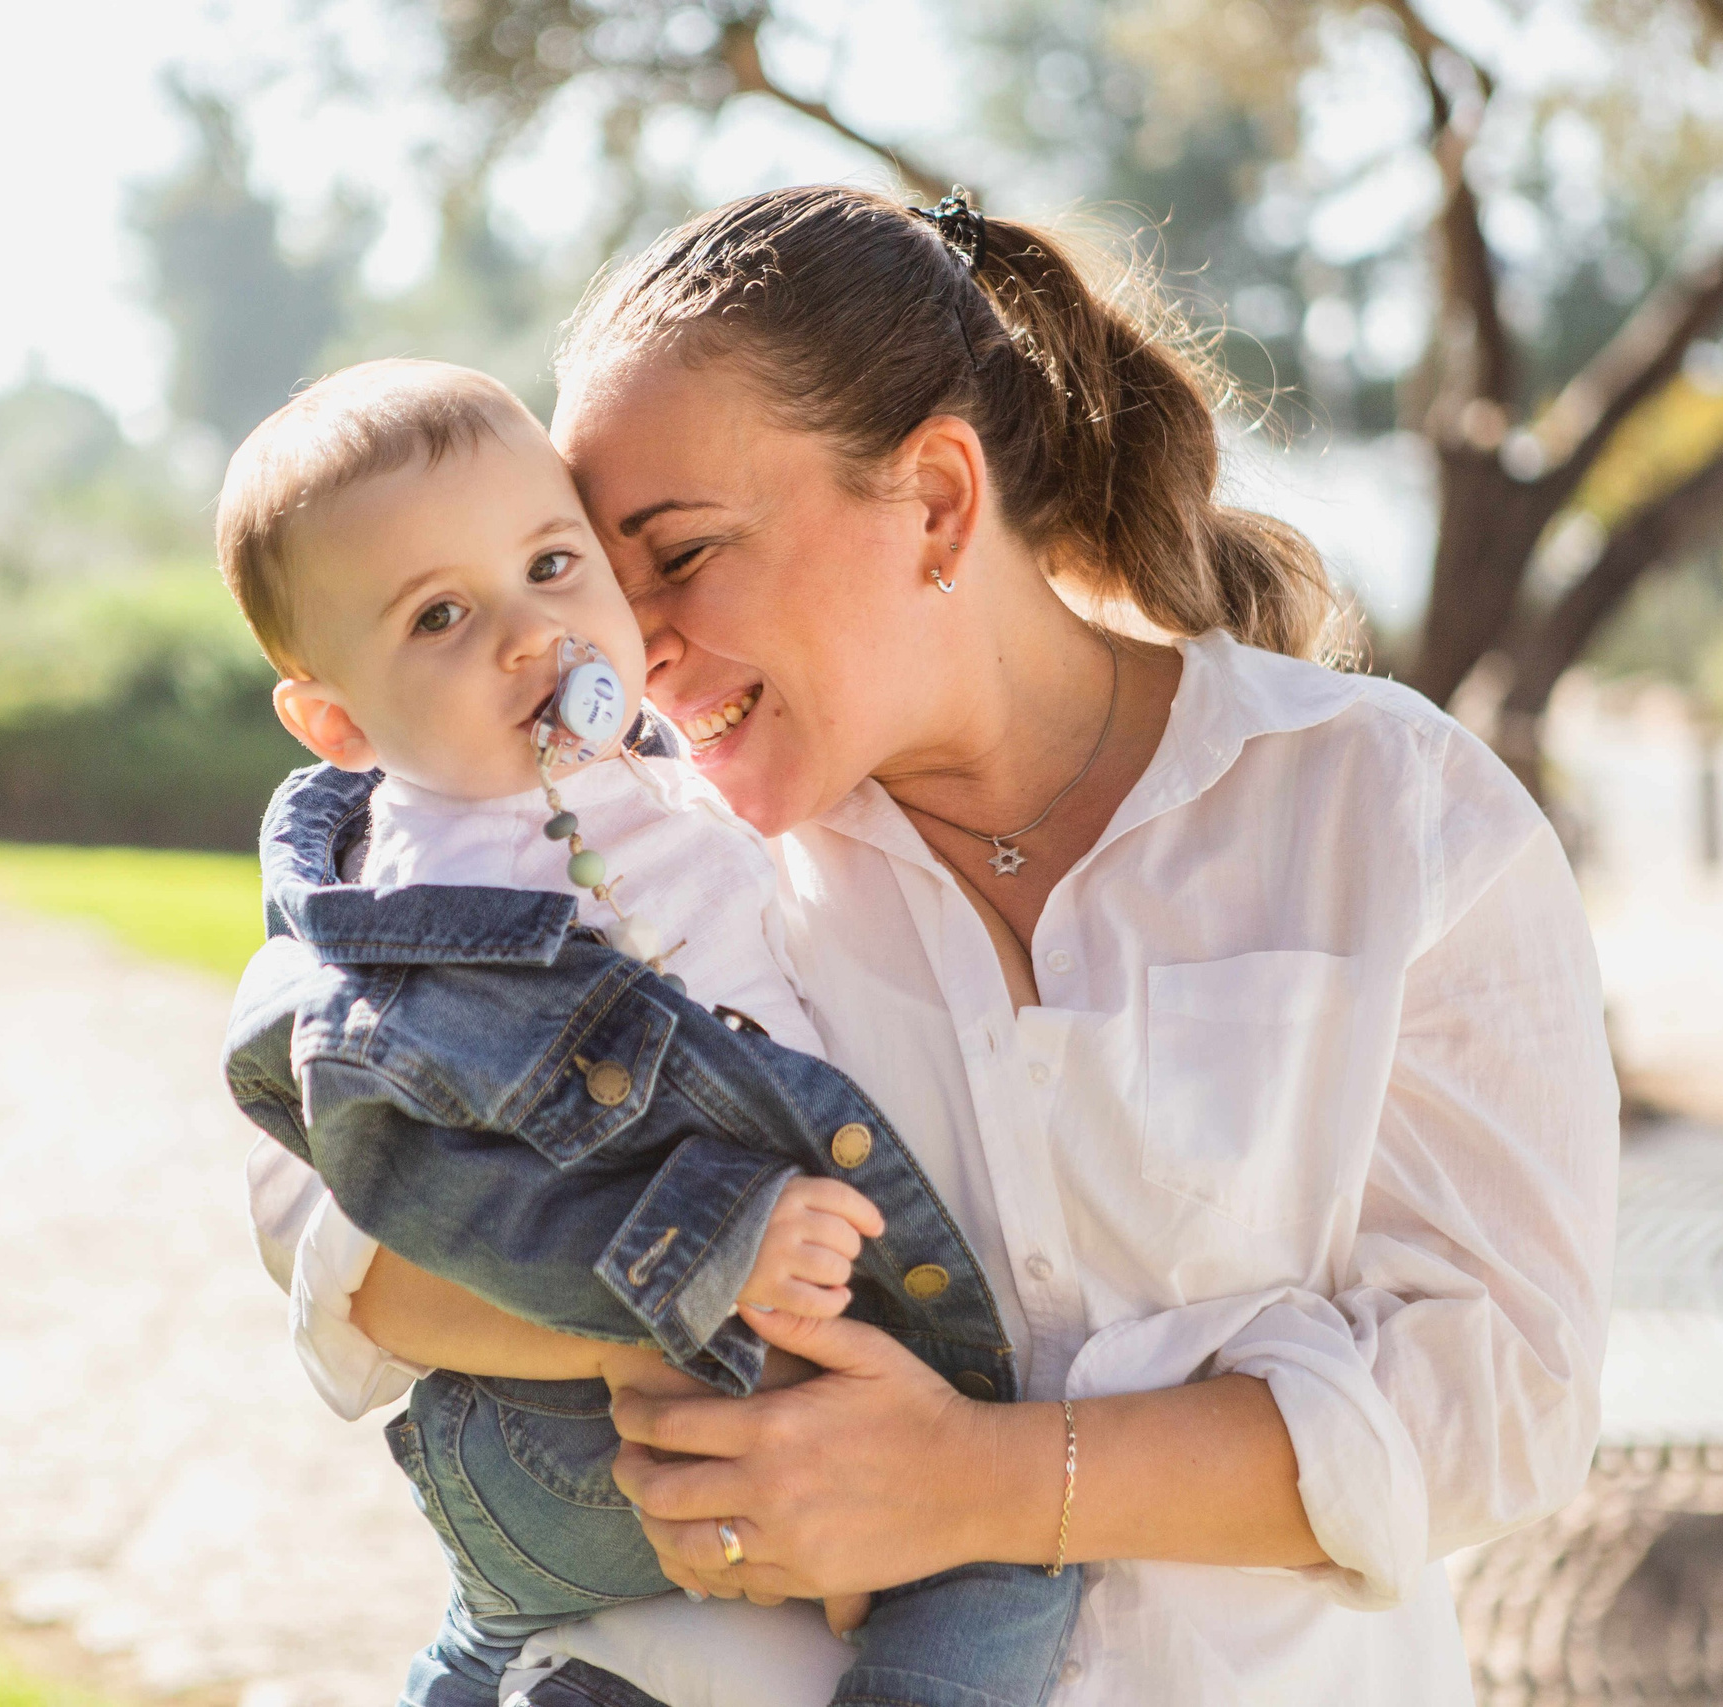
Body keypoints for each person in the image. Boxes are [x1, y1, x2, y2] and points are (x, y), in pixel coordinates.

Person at [251, 185, 1620, 1706]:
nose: (622, 647)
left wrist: (980, 1482)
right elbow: (331, 1247)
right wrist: (685, 1301)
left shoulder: (1394, 811)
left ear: (941, 501)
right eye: (599, 567)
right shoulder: (648, 843)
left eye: (682, 554)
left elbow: (1506, 1403)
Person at [217, 358, 1083, 1707]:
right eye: (439, 615)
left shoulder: (672, 792)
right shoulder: (416, 919)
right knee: (1002, 1568)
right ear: (336, 719)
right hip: (579, 1420)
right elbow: (425, 1193)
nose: (526, 635)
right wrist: (712, 1251)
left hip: (603, 1442)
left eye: (553, 566)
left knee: (501, 1646)